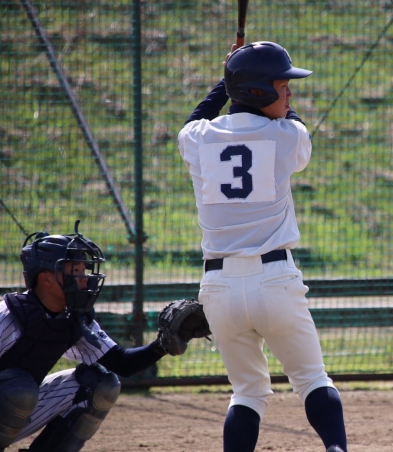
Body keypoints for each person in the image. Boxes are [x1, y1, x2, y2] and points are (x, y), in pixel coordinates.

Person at [177, 41, 348, 452]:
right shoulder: (287, 136)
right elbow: (292, 123)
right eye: (281, 85)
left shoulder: (196, 138)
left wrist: (225, 79)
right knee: (312, 379)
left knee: (248, 392)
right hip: (274, 281)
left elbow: (195, 119)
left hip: (219, 289)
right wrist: (234, 77)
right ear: (258, 91)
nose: (289, 93)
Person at [0, 220, 182, 452]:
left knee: (99, 385)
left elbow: (121, 363)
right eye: (74, 270)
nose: (84, 277)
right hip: (10, 400)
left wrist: (162, 344)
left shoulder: (72, 317)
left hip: (12, 408)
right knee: (19, 393)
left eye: (83, 270)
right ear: (45, 279)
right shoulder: (9, 316)